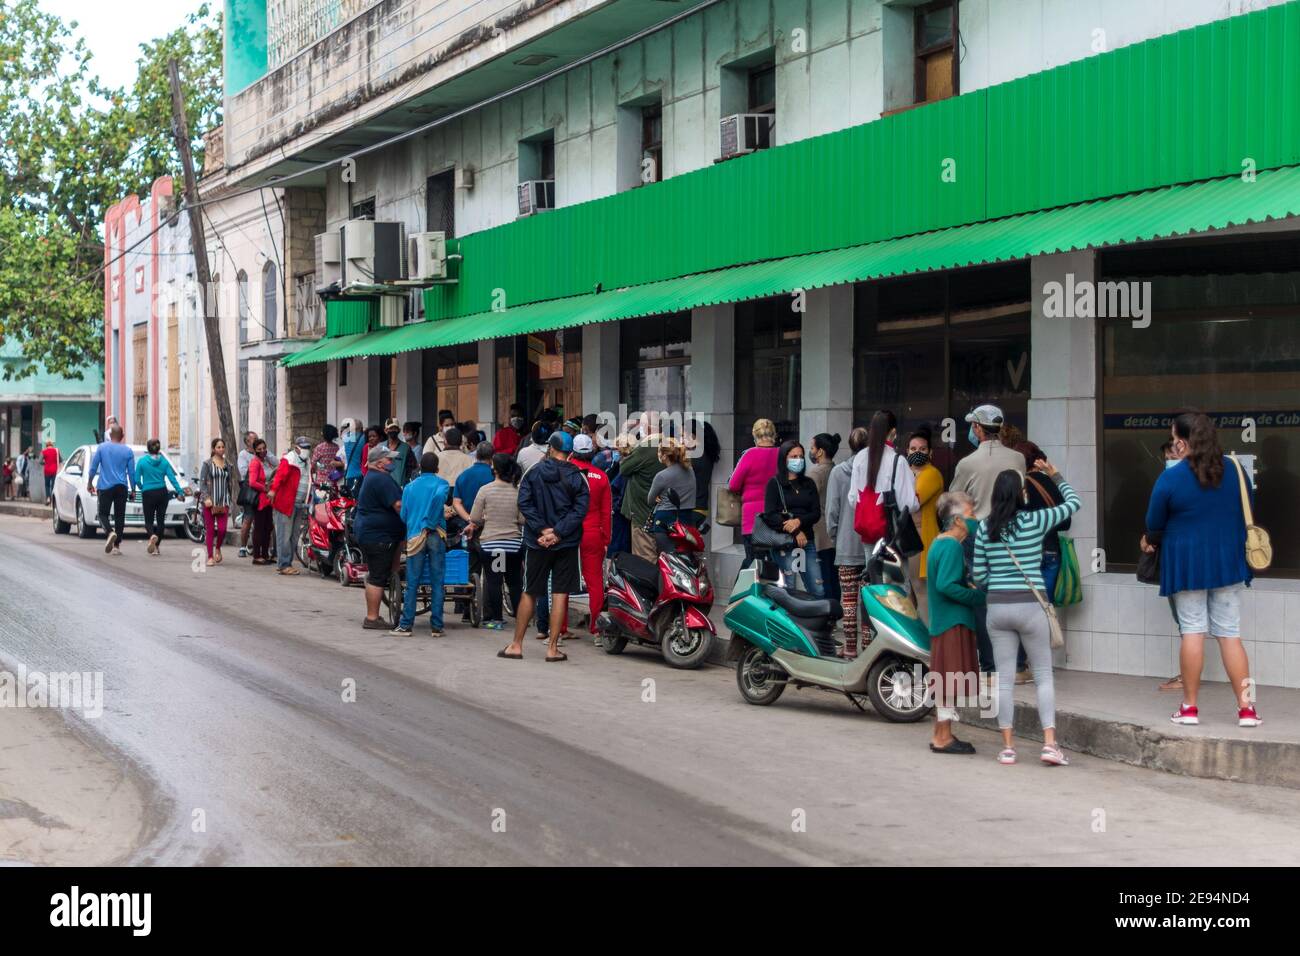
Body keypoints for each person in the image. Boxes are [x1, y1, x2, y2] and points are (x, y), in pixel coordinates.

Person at [1143, 410, 1261, 728]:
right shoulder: (1236, 470)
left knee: (1192, 631)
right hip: (1228, 562)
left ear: (1182, 443)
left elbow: (1154, 523)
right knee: (1230, 635)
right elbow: (1247, 505)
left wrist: (1152, 539)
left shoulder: (1171, 477)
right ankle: (1247, 709)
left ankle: (1189, 707)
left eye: (1174, 437)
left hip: (1186, 564)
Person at [973, 463, 1081, 766]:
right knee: (1044, 677)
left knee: (1004, 680)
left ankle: (1008, 748)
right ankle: (1049, 745)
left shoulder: (984, 527)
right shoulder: (1035, 520)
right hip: (1032, 607)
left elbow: (980, 575)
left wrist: (998, 579)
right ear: (1021, 494)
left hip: (997, 608)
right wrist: (1055, 475)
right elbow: (1074, 503)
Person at [498, 432, 589, 662]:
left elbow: (524, 502)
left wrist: (542, 530)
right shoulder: (579, 477)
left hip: (537, 543)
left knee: (530, 591)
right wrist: (557, 533)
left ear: (550, 448)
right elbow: (579, 511)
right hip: (566, 543)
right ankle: (552, 648)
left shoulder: (533, 472)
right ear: (570, 452)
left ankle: (516, 645)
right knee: (560, 593)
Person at [926, 491, 985, 754]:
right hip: (952, 622)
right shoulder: (950, 545)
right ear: (958, 520)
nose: (976, 520)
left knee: (946, 682)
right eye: (972, 514)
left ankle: (942, 732)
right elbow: (946, 585)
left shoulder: (941, 543)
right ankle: (943, 736)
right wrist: (976, 595)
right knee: (949, 681)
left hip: (946, 621)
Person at [849, 411, 919, 562]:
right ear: (893, 431)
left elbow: (853, 499)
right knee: (895, 582)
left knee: (874, 579)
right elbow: (908, 504)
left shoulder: (860, 458)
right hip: (890, 534)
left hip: (867, 531)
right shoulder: (898, 461)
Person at [394, 452, 450, 637]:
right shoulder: (442, 484)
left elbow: (403, 516)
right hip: (436, 534)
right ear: (437, 468)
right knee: (437, 582)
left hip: (415, 535)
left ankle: (406, 625)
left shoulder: (409, 488)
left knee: (412, 583)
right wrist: (431, 521)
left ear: (419, 467)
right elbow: (439, 499)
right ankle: (436, 627)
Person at [760, 440, 824, 596]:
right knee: (788, 589)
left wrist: (799, 521)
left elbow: (815, 513)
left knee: (817, 588)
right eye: (793, 456)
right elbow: (770, 515)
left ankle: (814, 618)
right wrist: (795, 530)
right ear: (784, 458)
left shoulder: (808, 483)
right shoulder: (775, 484)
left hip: (806, 543)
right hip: (784, 543)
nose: (798, 460)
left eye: (801, 456)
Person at [469, 454, 525, 631]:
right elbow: (523, 519)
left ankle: (497, 619)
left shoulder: (485, 490)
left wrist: (487, 517)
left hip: (493, 545)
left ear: (495, 469)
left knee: (494, 581)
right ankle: (520, 617)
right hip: (513, 545)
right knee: (514, 582)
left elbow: (474, 518)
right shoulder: (518, 491)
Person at [826, 427, 868, 656]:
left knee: (849, 601)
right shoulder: (877, 471)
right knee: (869, 604)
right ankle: (869, 648)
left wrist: (836, 537)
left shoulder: (839, 472)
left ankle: (850, 648)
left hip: (846, 545)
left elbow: (832, 511)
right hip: (872, 546)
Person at [354, 444, 405, 629]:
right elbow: (398, 505)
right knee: (377, 576)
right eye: (389, 459)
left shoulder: (375, 477)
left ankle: (374, 615)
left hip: (373, 533)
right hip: (378, 536)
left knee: (378, 574)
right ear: (379, 463)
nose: (392, 462)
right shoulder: (381, 479)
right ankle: (372, 618)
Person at [951, 405, 1024, 519]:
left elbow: (954, 501)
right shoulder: (1019, 458)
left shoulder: (966, 463)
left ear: (978, 427)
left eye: (973, 425)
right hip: (1014, 528)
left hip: (979, 529)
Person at [571, 434, 612, 633]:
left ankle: (560, 630)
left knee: (563, 581)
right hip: (593, 533)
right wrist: (606, 539)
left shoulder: (565, 473)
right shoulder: (601, 477)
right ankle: (596, 629)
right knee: (595, 582)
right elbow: (606, 513)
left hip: (567, 533)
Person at [728, 418, 781, 568]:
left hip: (752, 518)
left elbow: (733, 485)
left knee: (752, 561)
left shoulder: (750, 454)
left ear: (755, 435)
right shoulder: (782, 455)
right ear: (774, 435)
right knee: (772, 563)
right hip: (775, 517)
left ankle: (741, 591)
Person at [907, 429, 945, 626]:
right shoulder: (908, 473)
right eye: (913, 448)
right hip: (908, 534)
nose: (917, 452)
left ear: (930, 452)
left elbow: (913, 500)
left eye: (922, 448)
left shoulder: (930, 474)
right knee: (910, 592)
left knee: (921, 589)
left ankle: (929, 641)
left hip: (922, 534)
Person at [618, 426, 666, 563]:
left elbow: (624, 468)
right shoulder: (669, 445)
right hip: (664, 512)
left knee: (645, 560)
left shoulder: (646, 448)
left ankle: (649, 585)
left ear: (648, 428)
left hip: (643, 515)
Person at [87, 424, 135, 555]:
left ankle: (110, 532)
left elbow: (93, 467)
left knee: (103, 514)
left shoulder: (102, 448)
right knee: (120, 516)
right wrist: (133, 489)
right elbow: (132, 473)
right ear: (122, 436)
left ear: (109, 435)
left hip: (105, 486)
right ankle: (116, 546)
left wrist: (90, 483)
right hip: (122, 487)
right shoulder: (128, 451)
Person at [134, 438, 185, 555]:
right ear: (159, 448)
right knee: (161, 522)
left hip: (148, 493)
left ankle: (152, 535)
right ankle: (156, 547)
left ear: (147, 449)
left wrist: (143, 487)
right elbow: (172, 479)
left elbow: (136, 479)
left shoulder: (142, 461)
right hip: (162, 493)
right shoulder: (164, 462)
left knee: (148, 521)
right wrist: (180, 492)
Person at [646, 436, 695, 551]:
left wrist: (658, 497)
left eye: (659, 451)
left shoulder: (661, 476)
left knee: (667, 557)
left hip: (665, 520)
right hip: (687, 518)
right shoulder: (690, 471)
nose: (657, 454)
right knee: (685, 557)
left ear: (664, 455)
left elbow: (650, 500)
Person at [808, 433, 841, 607]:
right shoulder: (837, 469)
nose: (810, 451)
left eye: (812, 448)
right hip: (836, 532)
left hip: (819, 532)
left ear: (820, 452)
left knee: (823, 577)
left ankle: (827, 613)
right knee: (834, 577)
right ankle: (834, 609)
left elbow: (808, 501)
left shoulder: (815, 473)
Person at [268, 442, 306, 575]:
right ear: (297, 448)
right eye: (304, 448)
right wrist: (273, 491)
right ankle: (284, 564)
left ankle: (286, 563)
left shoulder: (307, 462)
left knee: (294, 536)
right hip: (286, 503)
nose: (307, 450)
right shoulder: (289, 459)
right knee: (284, 535)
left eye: (308, 448)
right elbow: (279, 476)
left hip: (299, 504)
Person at [198, 437, 237, 566]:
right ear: (213, 449)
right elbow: (202, 483)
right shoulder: (207, 464)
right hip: (210, 501)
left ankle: (218, 547)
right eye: (218, 447)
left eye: (222, 447)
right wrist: (206, 498)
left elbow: (229, 483)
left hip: (223, 501)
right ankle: (210, 556)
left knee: (222, 530)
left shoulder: (228, 465)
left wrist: (231, 499)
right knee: (210, 529)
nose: (221, 449)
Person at [247, 439, 275, 565]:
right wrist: (265, 488)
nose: (262, 451)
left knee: (268, 527)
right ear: (254, 450)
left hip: (268, 500)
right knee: (259, 527)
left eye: (264, 448)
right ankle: (257, 556)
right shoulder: (255, 463)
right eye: (259, 449)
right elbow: (252, 482)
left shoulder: (266, 462)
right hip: (260, 500)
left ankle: (265, 554)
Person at [380, 418, 418, 487]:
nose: (393, 430)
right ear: (385, 430)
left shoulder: (406, 448)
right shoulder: (380, 446)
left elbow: (412, 469)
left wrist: (406, 483)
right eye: (390, 428)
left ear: (399, 430)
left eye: (395, 428)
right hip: (382, 487)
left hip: (399, 488)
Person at [340, 419, 365, 494]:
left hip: (349, 475)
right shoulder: (363, 438)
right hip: (360, 475)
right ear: (360, 428)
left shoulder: (346, 438)